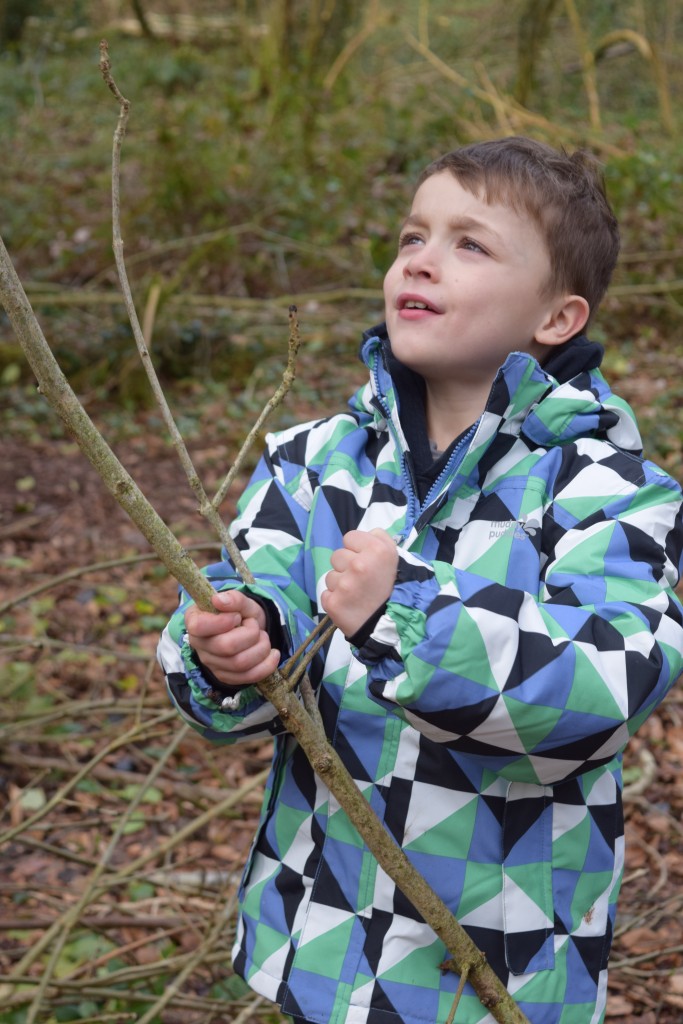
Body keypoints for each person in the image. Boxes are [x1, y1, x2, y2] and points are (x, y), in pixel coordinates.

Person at [157, 136, 683, 1024]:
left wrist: (407, 613)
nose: (424, 260)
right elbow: (256, 607)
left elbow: (605, 687)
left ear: (556, 318)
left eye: (469, 244)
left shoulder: (607, 490)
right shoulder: (314, 461)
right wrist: (229, 645)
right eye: (412, 237)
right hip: (319, 939)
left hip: (492, 966)